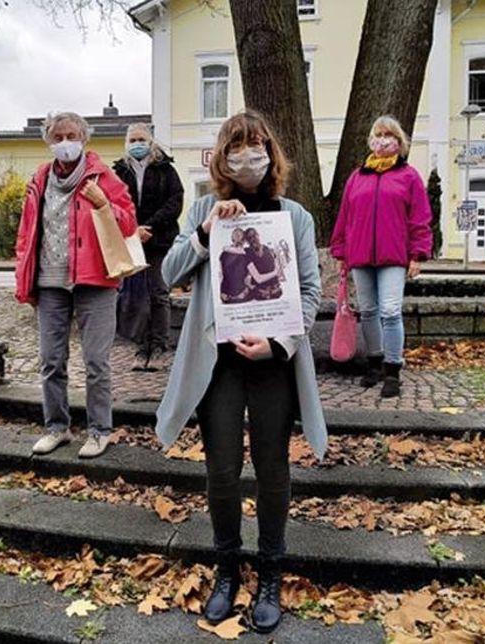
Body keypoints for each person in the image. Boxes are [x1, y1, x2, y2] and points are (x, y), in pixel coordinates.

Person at [155, 110, 326, 634]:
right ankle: (227, 569)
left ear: (271, 154)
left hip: (273, 362)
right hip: (219, 366)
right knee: (222, 471)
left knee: (273, 470)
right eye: (236, 146)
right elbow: (168, 273)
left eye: (257, 146)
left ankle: (270, 572)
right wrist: (206, 232)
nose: (248, 156)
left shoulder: (294, 216)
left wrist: (280, 343)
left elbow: (311, 291)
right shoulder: (203, 208)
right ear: (222, 157)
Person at [15, 112, 137, 459]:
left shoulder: (103, 176)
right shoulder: (39, 179)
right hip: (50, 281)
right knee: (51, 360)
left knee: (96, 362)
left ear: (84, 139)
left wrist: (104, 203)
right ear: (48, 141)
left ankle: (99, 430)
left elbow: (129, 223)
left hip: (95, 280)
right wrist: (23, 277)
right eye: (58, 137)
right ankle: (57, 427)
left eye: (72, 135)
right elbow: (27, 232)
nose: (65, 142)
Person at [330, 115, 432, 398]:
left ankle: (393, 369)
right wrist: (340, 251)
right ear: (371, 140)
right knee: (368, 311)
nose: (383, 140)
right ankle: (374, 363)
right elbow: (345, 216)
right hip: (360, 255)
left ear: (399, 141)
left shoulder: (409, 176)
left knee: (390, 311)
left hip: (394, 256)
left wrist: (418, 254)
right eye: (379, 134)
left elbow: (420, 218)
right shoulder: (357, 177)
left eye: (389, 135)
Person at [112, 123, 184, 371]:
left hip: (159, 239)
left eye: (141, 139)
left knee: (159, 294)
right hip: (131, 240)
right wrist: (133, 230)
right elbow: (113, 203)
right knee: (136, 296)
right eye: (132, 140)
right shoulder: (119, 171)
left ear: (151, 142)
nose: (137, 144)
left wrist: (149, 226)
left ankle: (159, 348)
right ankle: (141, 348)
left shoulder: (165, 169)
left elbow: (175, 201)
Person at [219, 227, 251, 304]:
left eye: (240, 235)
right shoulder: (224, 254)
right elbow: (221, 273)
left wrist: (245, 290)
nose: (238, 237)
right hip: (227, 292)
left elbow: (249, 276)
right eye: (236, 234)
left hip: (240, 292)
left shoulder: (246, 253)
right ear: (232, 237)